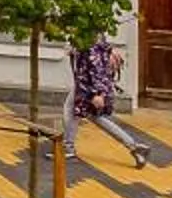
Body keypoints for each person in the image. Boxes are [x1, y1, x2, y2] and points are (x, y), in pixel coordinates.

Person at [64, 35, 153, 167]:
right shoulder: (91, 35)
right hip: (86, 84)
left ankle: (68, 148)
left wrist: (97, 94)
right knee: (92, 115)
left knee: (74, 110)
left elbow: (95, 67)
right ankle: (134, 147)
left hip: (87, 86)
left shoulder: (88, 38)